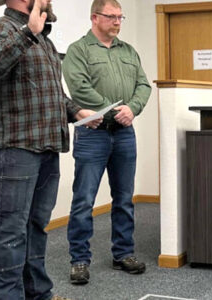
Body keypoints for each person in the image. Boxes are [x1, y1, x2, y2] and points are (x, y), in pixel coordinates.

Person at [0, 0, 101, 299]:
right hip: (17, 148)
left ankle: (38, 294)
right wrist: (27, 34)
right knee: (11, 230)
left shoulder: (43, 39)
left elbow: (49, 93)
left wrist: (76, 111)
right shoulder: (1, 28)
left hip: (47, 145)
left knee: (34, 227)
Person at [62, 0, 151, 285]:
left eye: (120, 17)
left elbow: (143, 85)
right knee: (84, 200)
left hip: (124, 134)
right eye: (111, 17)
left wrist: (133, 108)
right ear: (94, 18)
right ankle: (79, 260)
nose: (117, 22)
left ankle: (123, 253)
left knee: (124, 199)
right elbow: (79, 87)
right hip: (93, 133)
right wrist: (114, 110)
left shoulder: (128, 51)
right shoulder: (79, 50)